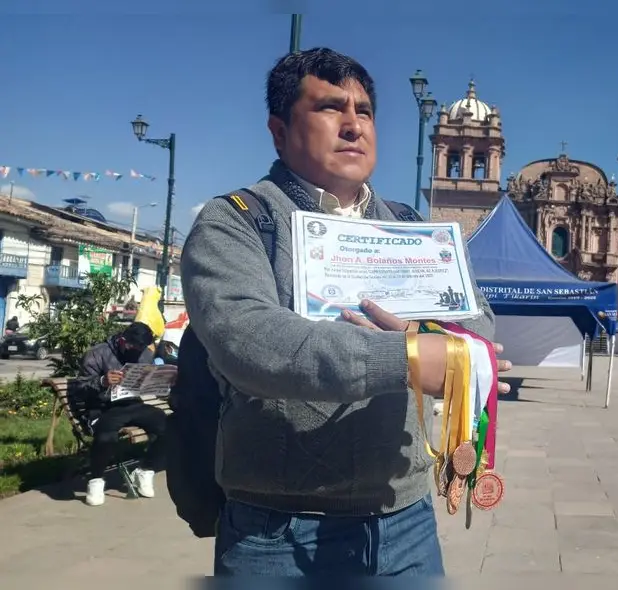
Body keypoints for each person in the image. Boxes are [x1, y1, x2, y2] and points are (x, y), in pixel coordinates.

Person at [181, 48, 511, 577]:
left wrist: (423, 332)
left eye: (365, 111)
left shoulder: (410, 228)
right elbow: (248, 340)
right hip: (276, 533)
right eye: (331, 108)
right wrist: (403, 355)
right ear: (279, 131)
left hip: (406, 523)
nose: (354, 125)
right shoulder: (236, 222)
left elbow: (477, 323)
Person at [76, 322, 166, 506]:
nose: (139, 351)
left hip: (132, 404)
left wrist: (160, 382)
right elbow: (80, 387)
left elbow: (146, 382)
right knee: (107, 431)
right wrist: (102, 381)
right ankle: (96, 480)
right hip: (103, 407)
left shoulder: (145, 354)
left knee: (166, 424)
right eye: (135, 346)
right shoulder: (98, 353)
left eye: (143, 347)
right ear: (124, 340)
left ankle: (146, 470)